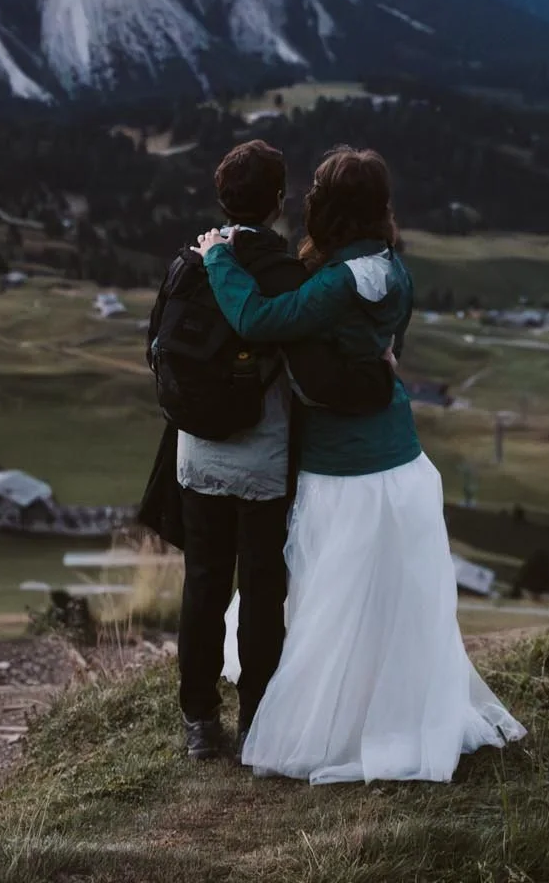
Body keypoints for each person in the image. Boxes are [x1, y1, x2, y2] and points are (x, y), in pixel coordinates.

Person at [198, 146, 525, 784]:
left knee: (332, 597)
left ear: (328, 209)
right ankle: (391, 707)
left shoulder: (334, 284)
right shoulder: (394, 270)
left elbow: (258, 320)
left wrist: (217, 258)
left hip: (340, 465)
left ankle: (338, 722)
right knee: (386, 601)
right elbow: (388, 345)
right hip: (400, 459)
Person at [139, 138, 392, 762]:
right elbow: (314, 377)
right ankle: (257, 720)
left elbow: (155, 348)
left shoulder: (190, 261)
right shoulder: (285, 276)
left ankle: (199, 721)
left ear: (222, 197)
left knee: (202, 585)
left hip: (195, 456)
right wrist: (379, 376)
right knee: (260, 590)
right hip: (263, 461)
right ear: (278, 200)